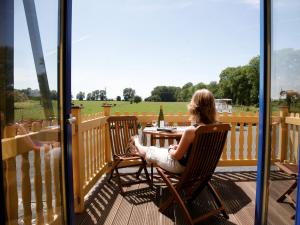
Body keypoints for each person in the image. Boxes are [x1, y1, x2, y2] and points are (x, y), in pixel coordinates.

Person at [130, 89, 217, 174]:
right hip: (201, 168)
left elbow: (176, 156)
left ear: (194, 107)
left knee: (151, 150)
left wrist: (170, 149)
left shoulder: (192, 131)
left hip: (181, 167)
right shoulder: (216, 128)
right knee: (158, 150)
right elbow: (199, 148)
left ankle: (136, 142)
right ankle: (138, 151)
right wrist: (178, 147)